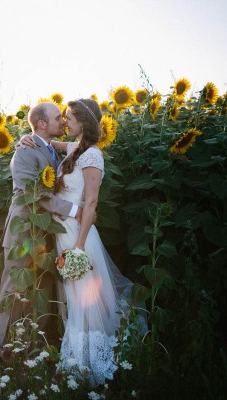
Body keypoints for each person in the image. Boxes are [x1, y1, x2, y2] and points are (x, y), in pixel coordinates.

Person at [20, 98, 144, 385]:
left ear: (84, 123)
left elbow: (91, 204)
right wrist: (28, 137)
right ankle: (76, 361)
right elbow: (49, 145)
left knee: (84, 297)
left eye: (70, 118)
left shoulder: (92, 157)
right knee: (74, 296)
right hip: (62, 231)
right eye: (63, 117)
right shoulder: (77, 149)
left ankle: (89, 364)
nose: (65, 122)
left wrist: (79, 246)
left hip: (78, 235)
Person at [0, 102, 82, 353]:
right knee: (12, 288)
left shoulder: (52, 149)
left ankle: (32, 345)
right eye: (57, 118)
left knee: (43, 288)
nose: (62, 121)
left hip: (45, 232)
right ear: (41, 124)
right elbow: (36, 194)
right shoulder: (24, 152)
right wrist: (75, 211)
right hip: (23, 231)